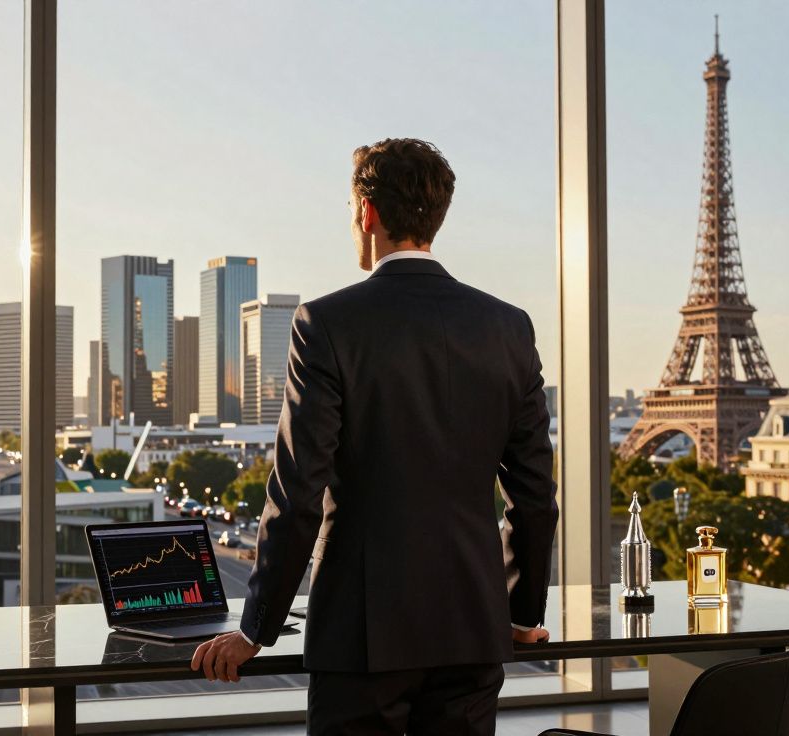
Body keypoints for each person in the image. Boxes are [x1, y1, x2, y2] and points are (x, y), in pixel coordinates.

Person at [191, 138, 557, 734]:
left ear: (368, 213)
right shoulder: (509, 327)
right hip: (472, 628)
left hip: (362, 635)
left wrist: (256, 629)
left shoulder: (328, 323)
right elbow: (535, 495)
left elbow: (297, 494)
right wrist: (519, 611)